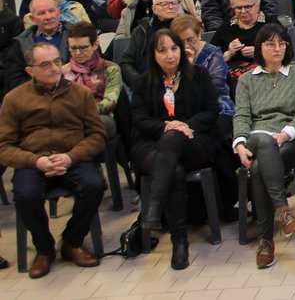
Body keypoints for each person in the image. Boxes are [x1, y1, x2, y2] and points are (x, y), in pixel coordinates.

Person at [0, 42, 106, 278]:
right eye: (45, 64)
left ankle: (72, 241)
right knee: (25, 194)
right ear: (31, 70)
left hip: (72, 158)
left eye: (57, 61)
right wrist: (34, 161)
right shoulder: (14, 99)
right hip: (33, 161)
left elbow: (97, 135)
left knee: (94, 185)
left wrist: (71, 157)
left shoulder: (81, 93)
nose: (55, 68)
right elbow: (4, 147)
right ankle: (44, 249)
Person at [130, 29, 220, 271]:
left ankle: (154, 208)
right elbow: (138, 119)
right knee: (175, 169)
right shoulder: (142, 82)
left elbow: (212, 112)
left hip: (196, 141)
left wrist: (184, 126)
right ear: (153, 54)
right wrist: (167, 126)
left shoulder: (199, 75)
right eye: (162, 50)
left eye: (174, 48)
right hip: (152, 143)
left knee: (173, 139)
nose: (170, 55)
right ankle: (179, 241)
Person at [232, 24, 295, 269]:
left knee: (257, 171)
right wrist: (239, 144)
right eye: (270, 44)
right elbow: (242, 115)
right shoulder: (247, 79)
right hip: (258, 136)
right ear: (259, 47)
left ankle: (266, 239)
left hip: (292, 137)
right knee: (265, 142)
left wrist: (287, 133)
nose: (277, 48)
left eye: (282, 43)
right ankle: (283, 212)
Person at [172, 15, 234, 134]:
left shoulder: (213, 54)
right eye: (180, 42)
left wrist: (190, 69)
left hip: (218, 109)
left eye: (190, 40)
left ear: (199, 34)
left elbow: (213, 89)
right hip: (184, 111)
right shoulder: (173, 57)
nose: (186, 46)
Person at [62, 22, 121, 140]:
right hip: (67, 116)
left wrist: (83, 111)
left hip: (98, 116)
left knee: (99, 123)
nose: (78, 53)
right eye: (73, 48)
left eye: (83, 47)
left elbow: (110, 101)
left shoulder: (110, 69)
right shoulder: (63, 71)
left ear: (95, 44)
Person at [212, 0, 271, 93]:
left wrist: (259, 53)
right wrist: (229, 53)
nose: (243, 11)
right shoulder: (225, 28)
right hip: (231, 81)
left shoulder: (270, 26)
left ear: (257, 5)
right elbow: (212, 60)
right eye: (238, 8)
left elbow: (286, 54)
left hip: (264, 76)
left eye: (248, 7)